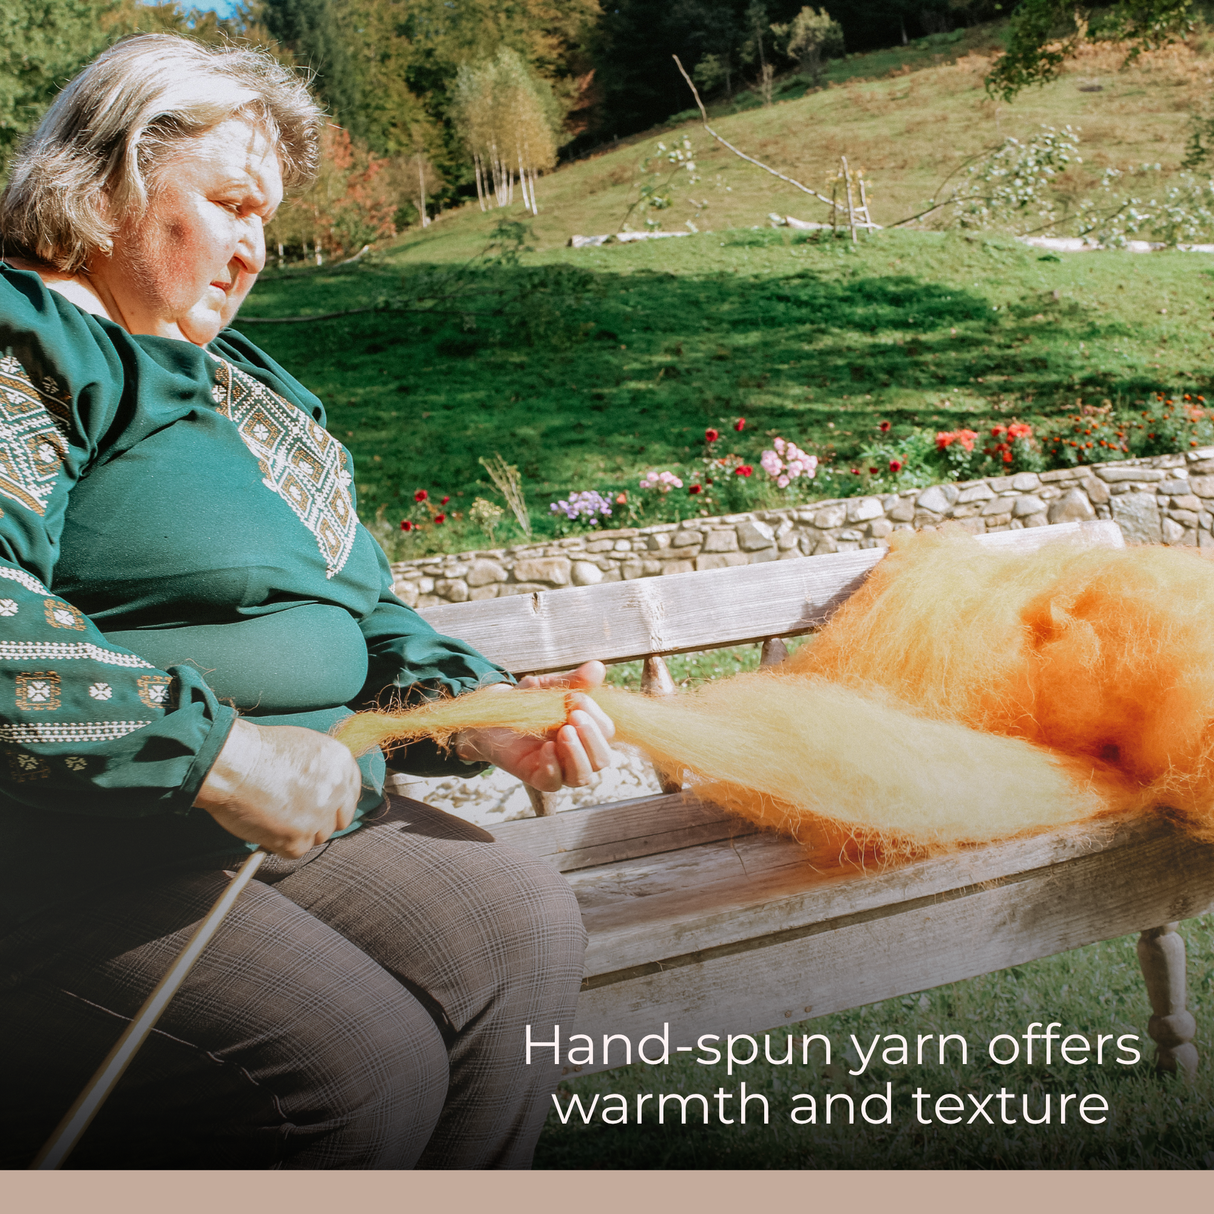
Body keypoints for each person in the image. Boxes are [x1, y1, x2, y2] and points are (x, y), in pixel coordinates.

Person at [0, 34, 613, 1169]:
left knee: (517, 927)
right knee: (356, 1064)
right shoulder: (25, 344)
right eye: (230, 204)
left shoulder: (250, 394)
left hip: (280, 820)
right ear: (109, 179)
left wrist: (480, 715)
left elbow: (360, 607)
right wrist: (220, 757)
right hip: (74, 850)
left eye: (267, 221)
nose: (253, 250)